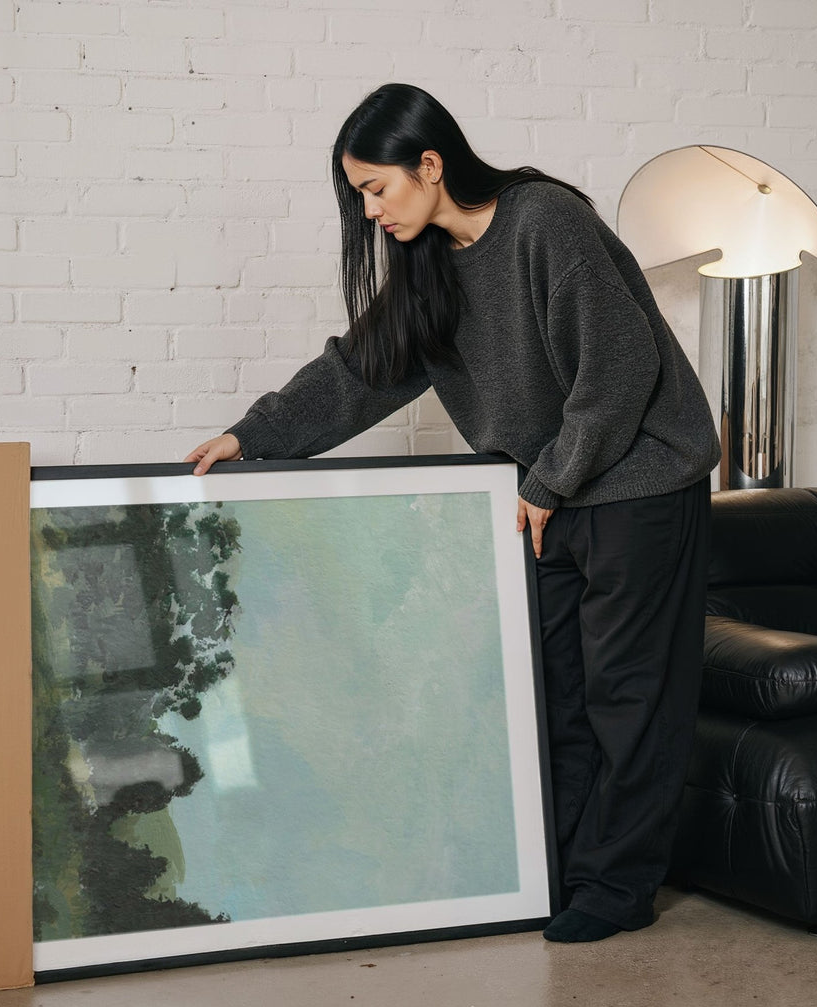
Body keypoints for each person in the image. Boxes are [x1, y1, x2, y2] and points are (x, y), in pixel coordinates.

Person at [185, 83, 721, 943]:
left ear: (430, 165)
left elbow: (618, 371)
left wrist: (549, 481)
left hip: (638, 480)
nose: (369, 212)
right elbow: (362, 369)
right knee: (557, 695)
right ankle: (563, 872)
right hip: (550, 492)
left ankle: (616, 888)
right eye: (358, 195)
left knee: (630, 695)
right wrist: (255, 436)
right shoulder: (430, 263)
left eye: (377, 189)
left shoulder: (545, 222)